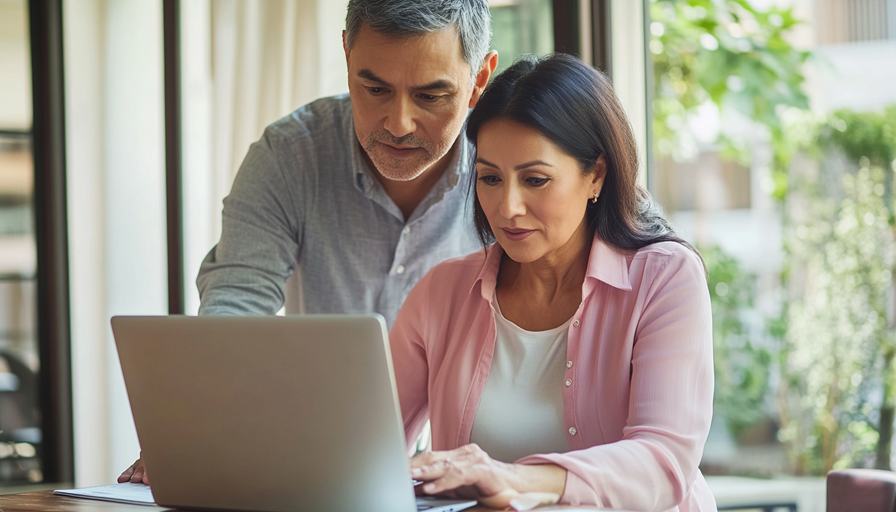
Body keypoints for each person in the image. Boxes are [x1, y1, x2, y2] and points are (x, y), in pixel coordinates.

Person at [118, 0, 498, 484]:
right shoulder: (289, 156)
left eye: (430, 96)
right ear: (346, 54)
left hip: (475, 479)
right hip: (324, 470)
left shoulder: (512, 170)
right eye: (375, 88)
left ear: (480, 79)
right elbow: (237, 301)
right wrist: (202, 425)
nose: (399, 123)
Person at [390, 54, 717, 511]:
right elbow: (369, 453)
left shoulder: (664, 277)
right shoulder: (442, 293)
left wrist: (513, 478)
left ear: (596, 175)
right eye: (489, 178)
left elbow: (663, 461)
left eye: (536, 180)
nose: (508, 207)